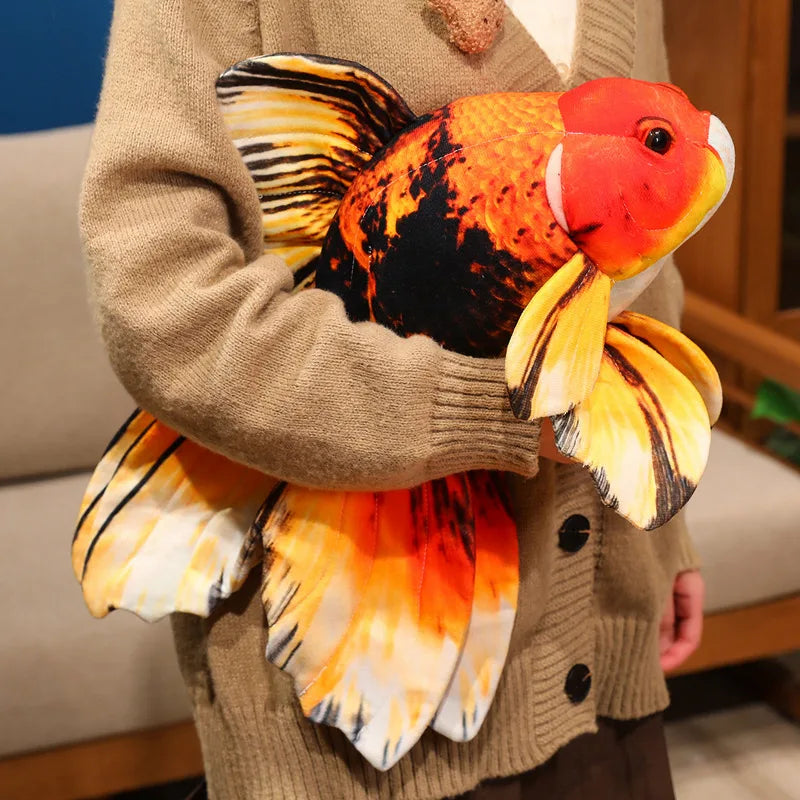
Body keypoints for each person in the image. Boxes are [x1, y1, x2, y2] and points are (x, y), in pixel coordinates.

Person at [80, 0, 705, 797]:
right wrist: (491, 411)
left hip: (603, 644)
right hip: (352, 672)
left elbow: (649, 265)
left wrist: (665, 529)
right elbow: (168, 309)